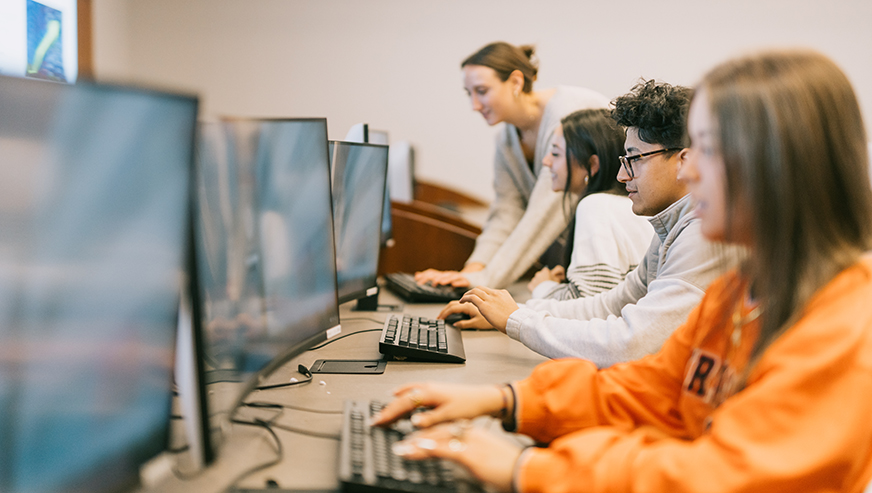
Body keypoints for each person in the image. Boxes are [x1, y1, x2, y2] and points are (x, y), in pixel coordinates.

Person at [374, 49, 872, 493]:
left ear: (776, 165)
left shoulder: (845, 329)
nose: (690, 169)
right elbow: (651, 387)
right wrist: (507, 400)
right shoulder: (741, 291)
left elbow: (719, 477)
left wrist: (530, 469)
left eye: (708, 150)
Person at [442, 79, 738, 368]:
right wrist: (512, 312)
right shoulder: (673, 226)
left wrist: (517, 320)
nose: (622, 176)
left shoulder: (705, 233)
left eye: (634, 159)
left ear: (684, 162)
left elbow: (632, 343)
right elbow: (611, 304)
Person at [414, 42, 610, 289]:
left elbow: (547, 211)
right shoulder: (506, 139)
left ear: (516, 82)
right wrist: (472, 270)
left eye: (482, 91)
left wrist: (484, 281)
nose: (474, 105)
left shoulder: (568, 114)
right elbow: (506, 211)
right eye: (469, 93)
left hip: (605, 257)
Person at [526, 108, 653, 301]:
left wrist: (542, 287)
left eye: (555, 153)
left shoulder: (596, 205)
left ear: (593, 164)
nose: (546, 161)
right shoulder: (623, 205)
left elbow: (590, 302)